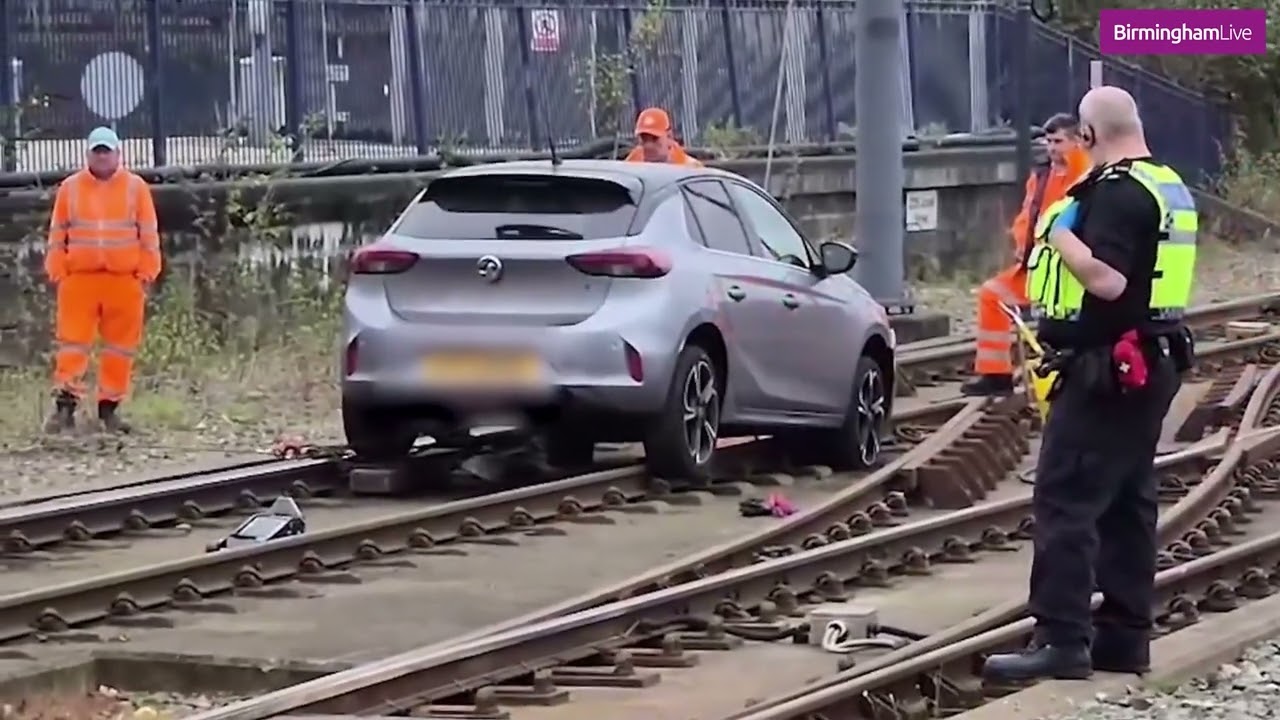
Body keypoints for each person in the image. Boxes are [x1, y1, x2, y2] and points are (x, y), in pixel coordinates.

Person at [982, 86, 1197, 682]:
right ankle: (1126, 638)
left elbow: (1107, 281)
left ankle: (1062, 640)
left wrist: (1061, 237)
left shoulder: (1118, 192)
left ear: (1091, 136)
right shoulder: (1167, 185)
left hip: (1108, 367)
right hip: (1149, 360)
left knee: (1066, 499)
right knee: (1128, 502)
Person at [962, 114, 1092, 396]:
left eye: (1059, 142)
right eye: (1049, 142)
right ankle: (996, 375)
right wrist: (1021, 240)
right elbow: (1028, 213)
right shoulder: (1042, 175)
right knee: (991, 294)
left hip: (1069, 270)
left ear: (1077, 142)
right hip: (1036, 266)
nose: (1052, 148)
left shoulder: (1085, 174)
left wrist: (1078, 157)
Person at [43, 126, 162, 435]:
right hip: (79, 280)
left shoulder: (136, 188)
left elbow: (148, 233)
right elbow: (58, 233)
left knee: (120, 348)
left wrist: (147, 272)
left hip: (124, 281)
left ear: (117, 154)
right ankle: (64, 408)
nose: (101, 156)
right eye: (96, 151)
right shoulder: (70, 188)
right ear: (88, 155)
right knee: (73, 344)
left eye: (106, 151)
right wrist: (57, 269)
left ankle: (109, 409)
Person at [624, 107, 703, 167]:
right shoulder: (635, 159)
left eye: (654, 138)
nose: (648, 145)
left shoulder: (689, 168)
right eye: (644, 139)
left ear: (669, 137)